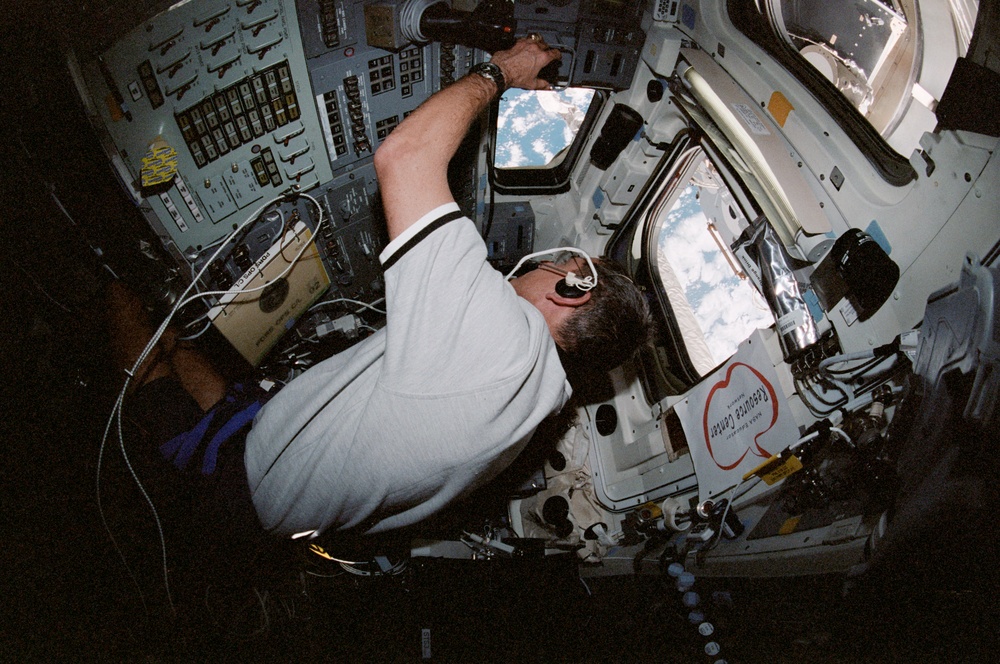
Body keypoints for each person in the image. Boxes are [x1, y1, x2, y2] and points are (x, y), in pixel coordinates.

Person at [113, 36, 650, 546]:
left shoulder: (502, 335)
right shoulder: (540, 403)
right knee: (204, 372)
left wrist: (506, 70)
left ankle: (90, 272)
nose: (537, 264)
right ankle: (173, 339)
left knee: (128, 319)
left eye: (559, 262)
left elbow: (406, 156)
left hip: (237, 486)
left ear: (574, 288)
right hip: (278, 472)